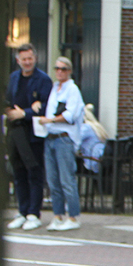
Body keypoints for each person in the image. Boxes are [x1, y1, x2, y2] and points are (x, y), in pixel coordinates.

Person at [5, 43, 53, 230]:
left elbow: (44, 106)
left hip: (32, 134)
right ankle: (22, 211)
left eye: (30, 58)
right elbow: (8, 101)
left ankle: (34, 213)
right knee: (18, 172)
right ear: (18, 61)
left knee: (34, 172)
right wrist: (13, 112)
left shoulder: (43, 80)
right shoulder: (13, 78)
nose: (27, 62)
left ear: (35, 58)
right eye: (23, 59)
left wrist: (24, 113)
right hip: (15, 131)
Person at [36, 57, 86, 231]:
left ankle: (73, 217)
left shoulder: (72, 90)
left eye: (63, 69)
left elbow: (70, 115)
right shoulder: (54, 89)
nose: (59, 71)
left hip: (64, 138)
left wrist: (50, 119)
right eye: (57, 68)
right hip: (50, 137)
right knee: (53, 180)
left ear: (69, 71)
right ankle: (57, 215)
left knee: (67, 179)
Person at [77, 103, 108, 173]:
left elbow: (75, 139)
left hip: (93, 162)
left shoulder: (86, 128)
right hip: (102, 160)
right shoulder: (96, 126)